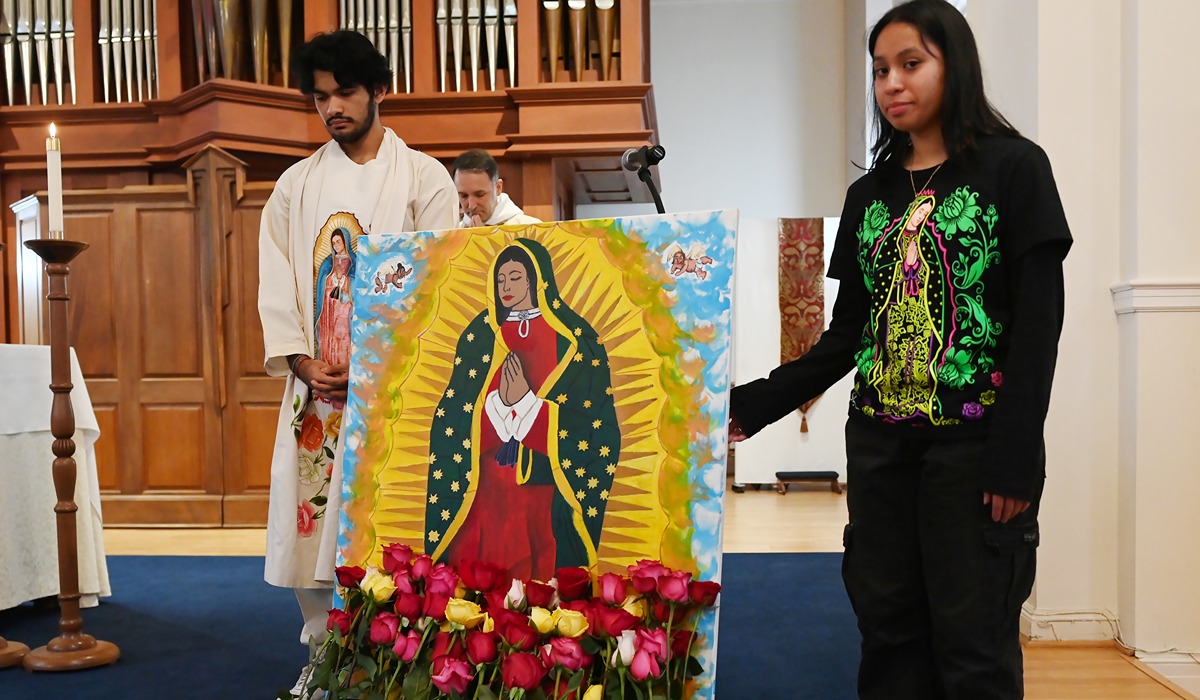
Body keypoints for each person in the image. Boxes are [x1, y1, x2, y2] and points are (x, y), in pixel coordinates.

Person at [728, 2, 1072, 698]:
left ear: (956, 65)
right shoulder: (869, 195)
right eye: (881, 69)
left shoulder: (1015, 170)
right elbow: (849, 334)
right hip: (881, 449)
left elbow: (1038, 330)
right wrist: (752, 404)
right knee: (888, 635)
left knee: (973, 642)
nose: (891, 83)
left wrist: (1015, 461)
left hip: (972, 455)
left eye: (911, 64)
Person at [255, 29, 457, 695]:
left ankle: (401, 660)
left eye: (345, 92)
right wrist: (301, 361)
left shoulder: (423, 177)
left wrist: (379, 365)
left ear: (378, 90)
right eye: (320, 97)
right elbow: (278, 279)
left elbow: (440, 281)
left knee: (392, 526)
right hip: (318, 391)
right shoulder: (294, 185)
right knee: (313, 527)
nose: (332, 107)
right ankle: (323, 656)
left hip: (395, 390)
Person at [424, 238, 619, 580]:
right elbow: (455, 411)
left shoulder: (575, 341)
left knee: (537, 575)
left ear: (536, 280)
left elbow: (594, 421)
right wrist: (501, 407)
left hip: (542, 486)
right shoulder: (481, 334)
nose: (506, 287)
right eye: (500, 280)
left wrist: (526, 404)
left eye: (515, 277)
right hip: (484, 487)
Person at [452, 148, 543, 227]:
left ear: (498, 188)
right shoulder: (453, 235)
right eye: (463, 196)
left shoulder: (531, 229)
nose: (472, 206)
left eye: (480, 194)